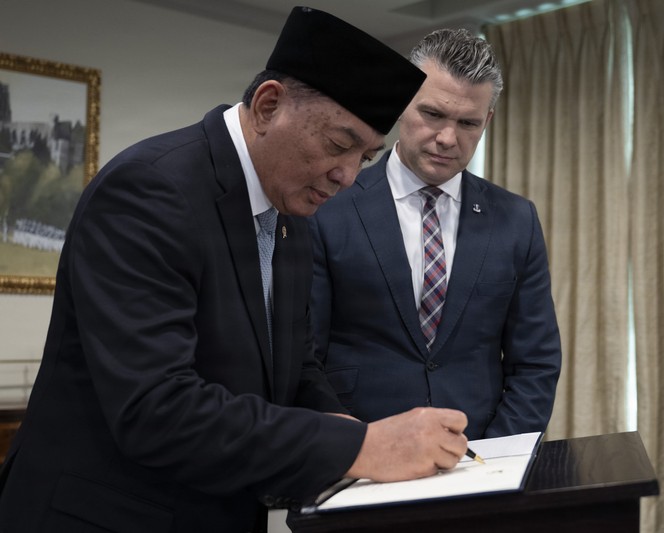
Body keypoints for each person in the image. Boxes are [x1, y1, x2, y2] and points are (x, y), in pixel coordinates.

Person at [0, 8, 471, 532]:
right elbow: (158, 410)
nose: (345, 176)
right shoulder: (150, 191)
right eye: (339, 145)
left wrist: (352, 433)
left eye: (364, 157)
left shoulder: (290, 211)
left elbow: (295, 366)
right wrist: (359, 446)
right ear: (269, 105)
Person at [309, 29, 562, 440]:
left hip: (477, 461)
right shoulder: (328, 205)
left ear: (488, 121)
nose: (448, 138)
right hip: (358, 461)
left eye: (468, 123)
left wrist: (497, 459)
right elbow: (305, 357)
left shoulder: (516, 220)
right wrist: (353, 450)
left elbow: (535, 362)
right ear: (402, 103)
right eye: (433, 115)